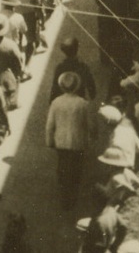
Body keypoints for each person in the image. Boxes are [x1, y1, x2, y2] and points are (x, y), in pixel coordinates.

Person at [45, 71, 90, 210]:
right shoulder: (82, 103)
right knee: (76, 169)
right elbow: (90, 124)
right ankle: (73, 196)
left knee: (62, 167)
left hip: (61, 142)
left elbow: (50, 125)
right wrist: (93, 136)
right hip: (78, 142)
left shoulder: (56, 102)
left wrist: (49, 141)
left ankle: (64, 195)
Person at [50, 37, 96, 101]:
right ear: (77, 49)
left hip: (64, 100)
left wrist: (52, 100)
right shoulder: (82, 66)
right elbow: (90, 84)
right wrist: (92, 94)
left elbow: (55, 88)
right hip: (79, 97)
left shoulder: (60, 67)